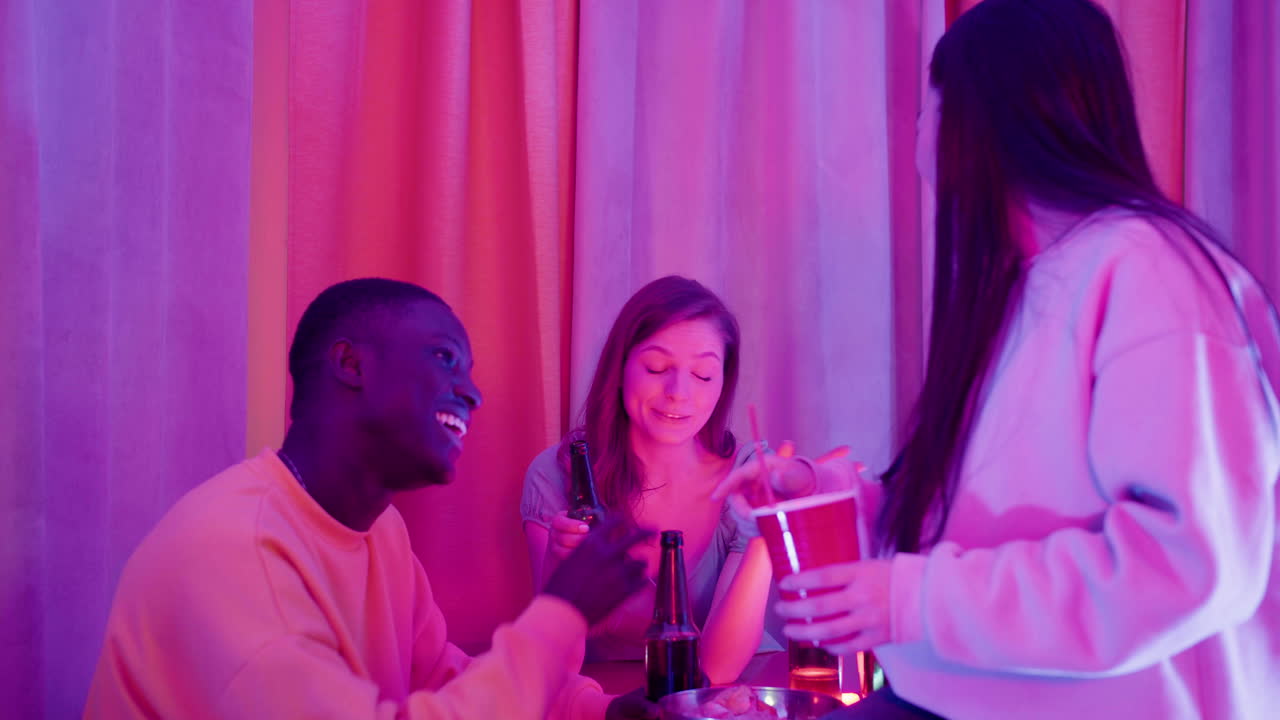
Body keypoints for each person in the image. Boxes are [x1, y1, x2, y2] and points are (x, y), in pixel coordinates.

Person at [717, 1, 1280, 718]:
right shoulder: (1030, 284)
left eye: (930, 105)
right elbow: (986, 528)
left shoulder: (1148, 272)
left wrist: (915, 602)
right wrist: (821, 491)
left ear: (983, 120)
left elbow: (1189, 566)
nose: (918, 132)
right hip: (949, 693)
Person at [85, 278, 658, 720]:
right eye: (444, 358)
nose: (473, 392)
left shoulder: (380, 530)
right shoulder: (231, 549)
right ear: (351, 364)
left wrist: (600, 710)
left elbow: (442, 681)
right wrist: (561, 612)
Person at [521, 275, 778, 684]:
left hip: (734, 691)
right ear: (620, 366)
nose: (679, 392)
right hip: (607, 694)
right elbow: (554, 658)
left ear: (723, 383)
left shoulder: (746, 477)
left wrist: (767, 528)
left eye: (703, 375)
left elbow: (716, 669)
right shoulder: (557, 475)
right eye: (657, 368)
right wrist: (560, 561)